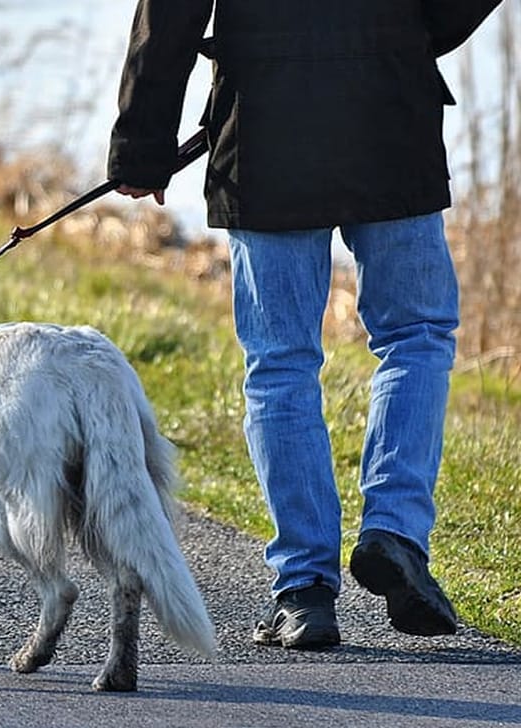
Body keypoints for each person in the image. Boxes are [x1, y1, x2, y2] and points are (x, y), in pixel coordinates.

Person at [107, 0, 503, 649]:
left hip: (266, 127)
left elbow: (169, 12)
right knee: (416, 337)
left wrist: (140, 146)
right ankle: (395, 531)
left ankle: (304, 591)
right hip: (388, 106)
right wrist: (409, 29)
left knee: (281, 362)